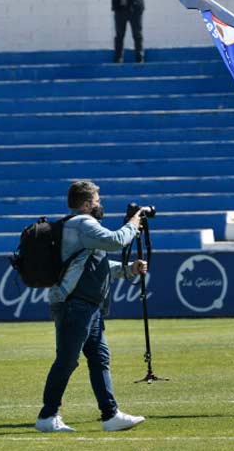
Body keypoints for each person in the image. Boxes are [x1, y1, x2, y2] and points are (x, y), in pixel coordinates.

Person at [36, 181, 147, 433]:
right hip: (76, 304)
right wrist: (133, 224)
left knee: (99, 359)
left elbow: (96, 265)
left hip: (88, 305)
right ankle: (47, 415)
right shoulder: (83, 223)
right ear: (86, 204)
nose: (99, 203)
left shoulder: (77, 226)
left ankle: (110, 415)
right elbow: (116, 241)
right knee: (66, 360)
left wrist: (129, 270)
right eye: (97, 199)